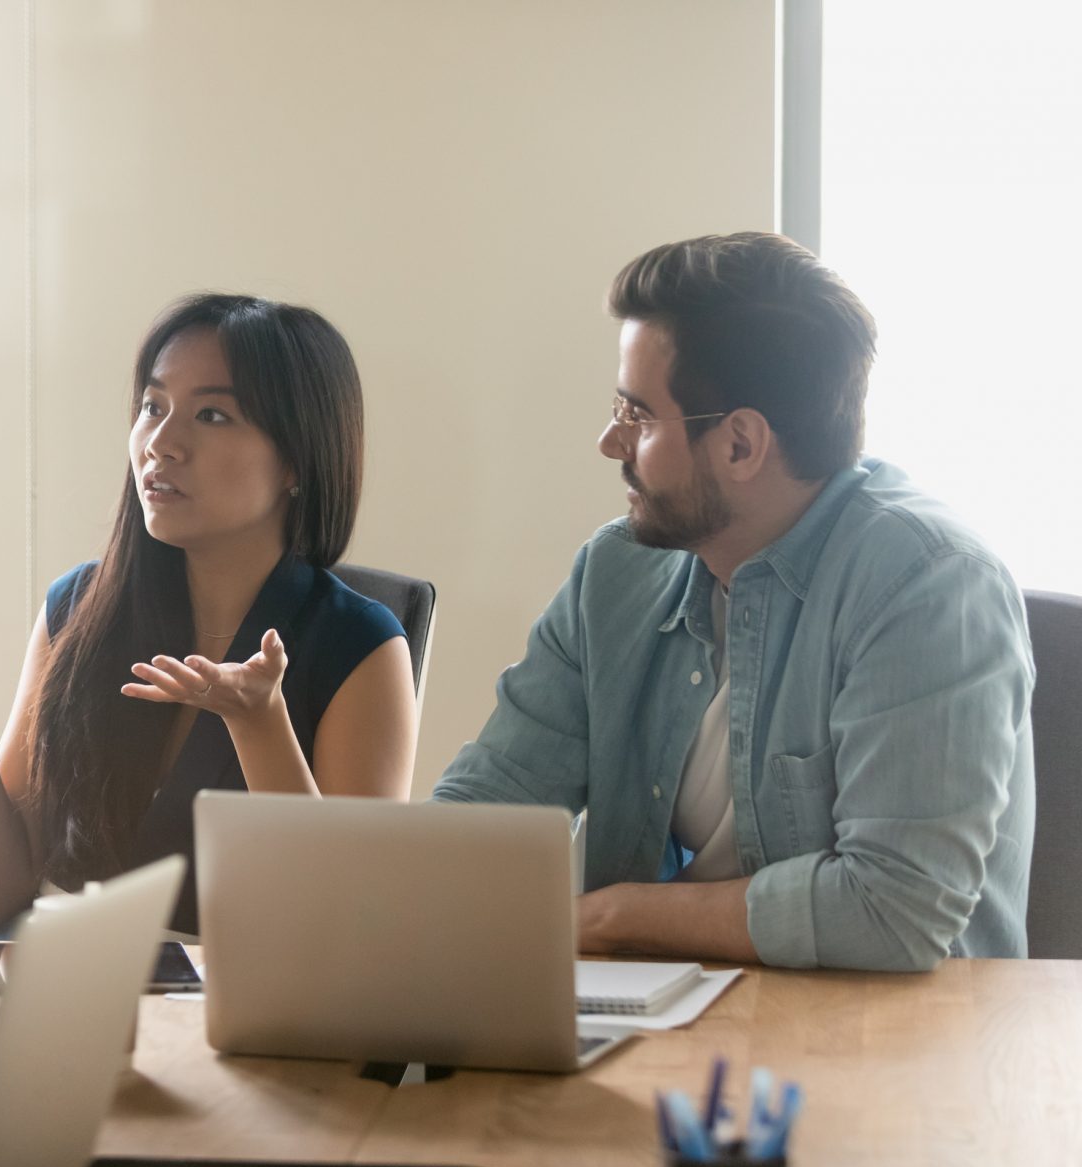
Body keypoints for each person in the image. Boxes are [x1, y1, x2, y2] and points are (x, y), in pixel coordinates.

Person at [433, 232, 1034, 971]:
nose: (608, 442)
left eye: (638, 415)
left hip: (899, 1051)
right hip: (664, 1028)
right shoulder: (614, 573)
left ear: (742, 445)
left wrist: (617, 916)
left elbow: (895, 907)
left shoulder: (930, 585)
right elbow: (488, 806)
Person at [0, 293, 419, 935]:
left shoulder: (362, 646)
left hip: (245, 1020)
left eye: (212, 414)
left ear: (296, 461)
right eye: (152, 407)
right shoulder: (79, 606)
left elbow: (346, 932)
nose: (163, 443)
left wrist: (259, 726)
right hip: (70, 998)